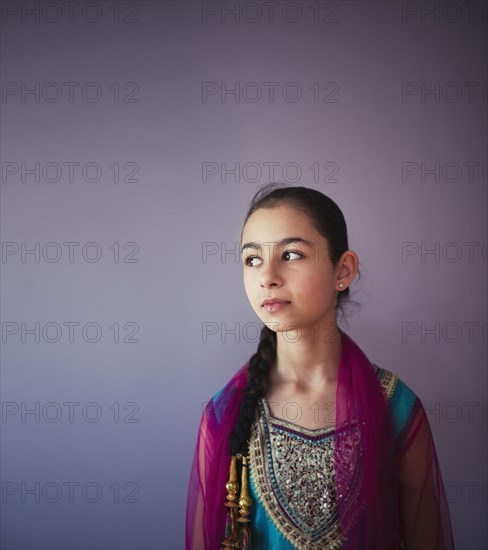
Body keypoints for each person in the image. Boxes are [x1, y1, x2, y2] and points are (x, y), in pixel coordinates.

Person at [186, 183, 455, 550]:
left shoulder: (398, 407)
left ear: (343, 270)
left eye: (292, 254)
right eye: (252, 259)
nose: (267, 276)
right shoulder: (224, 415)